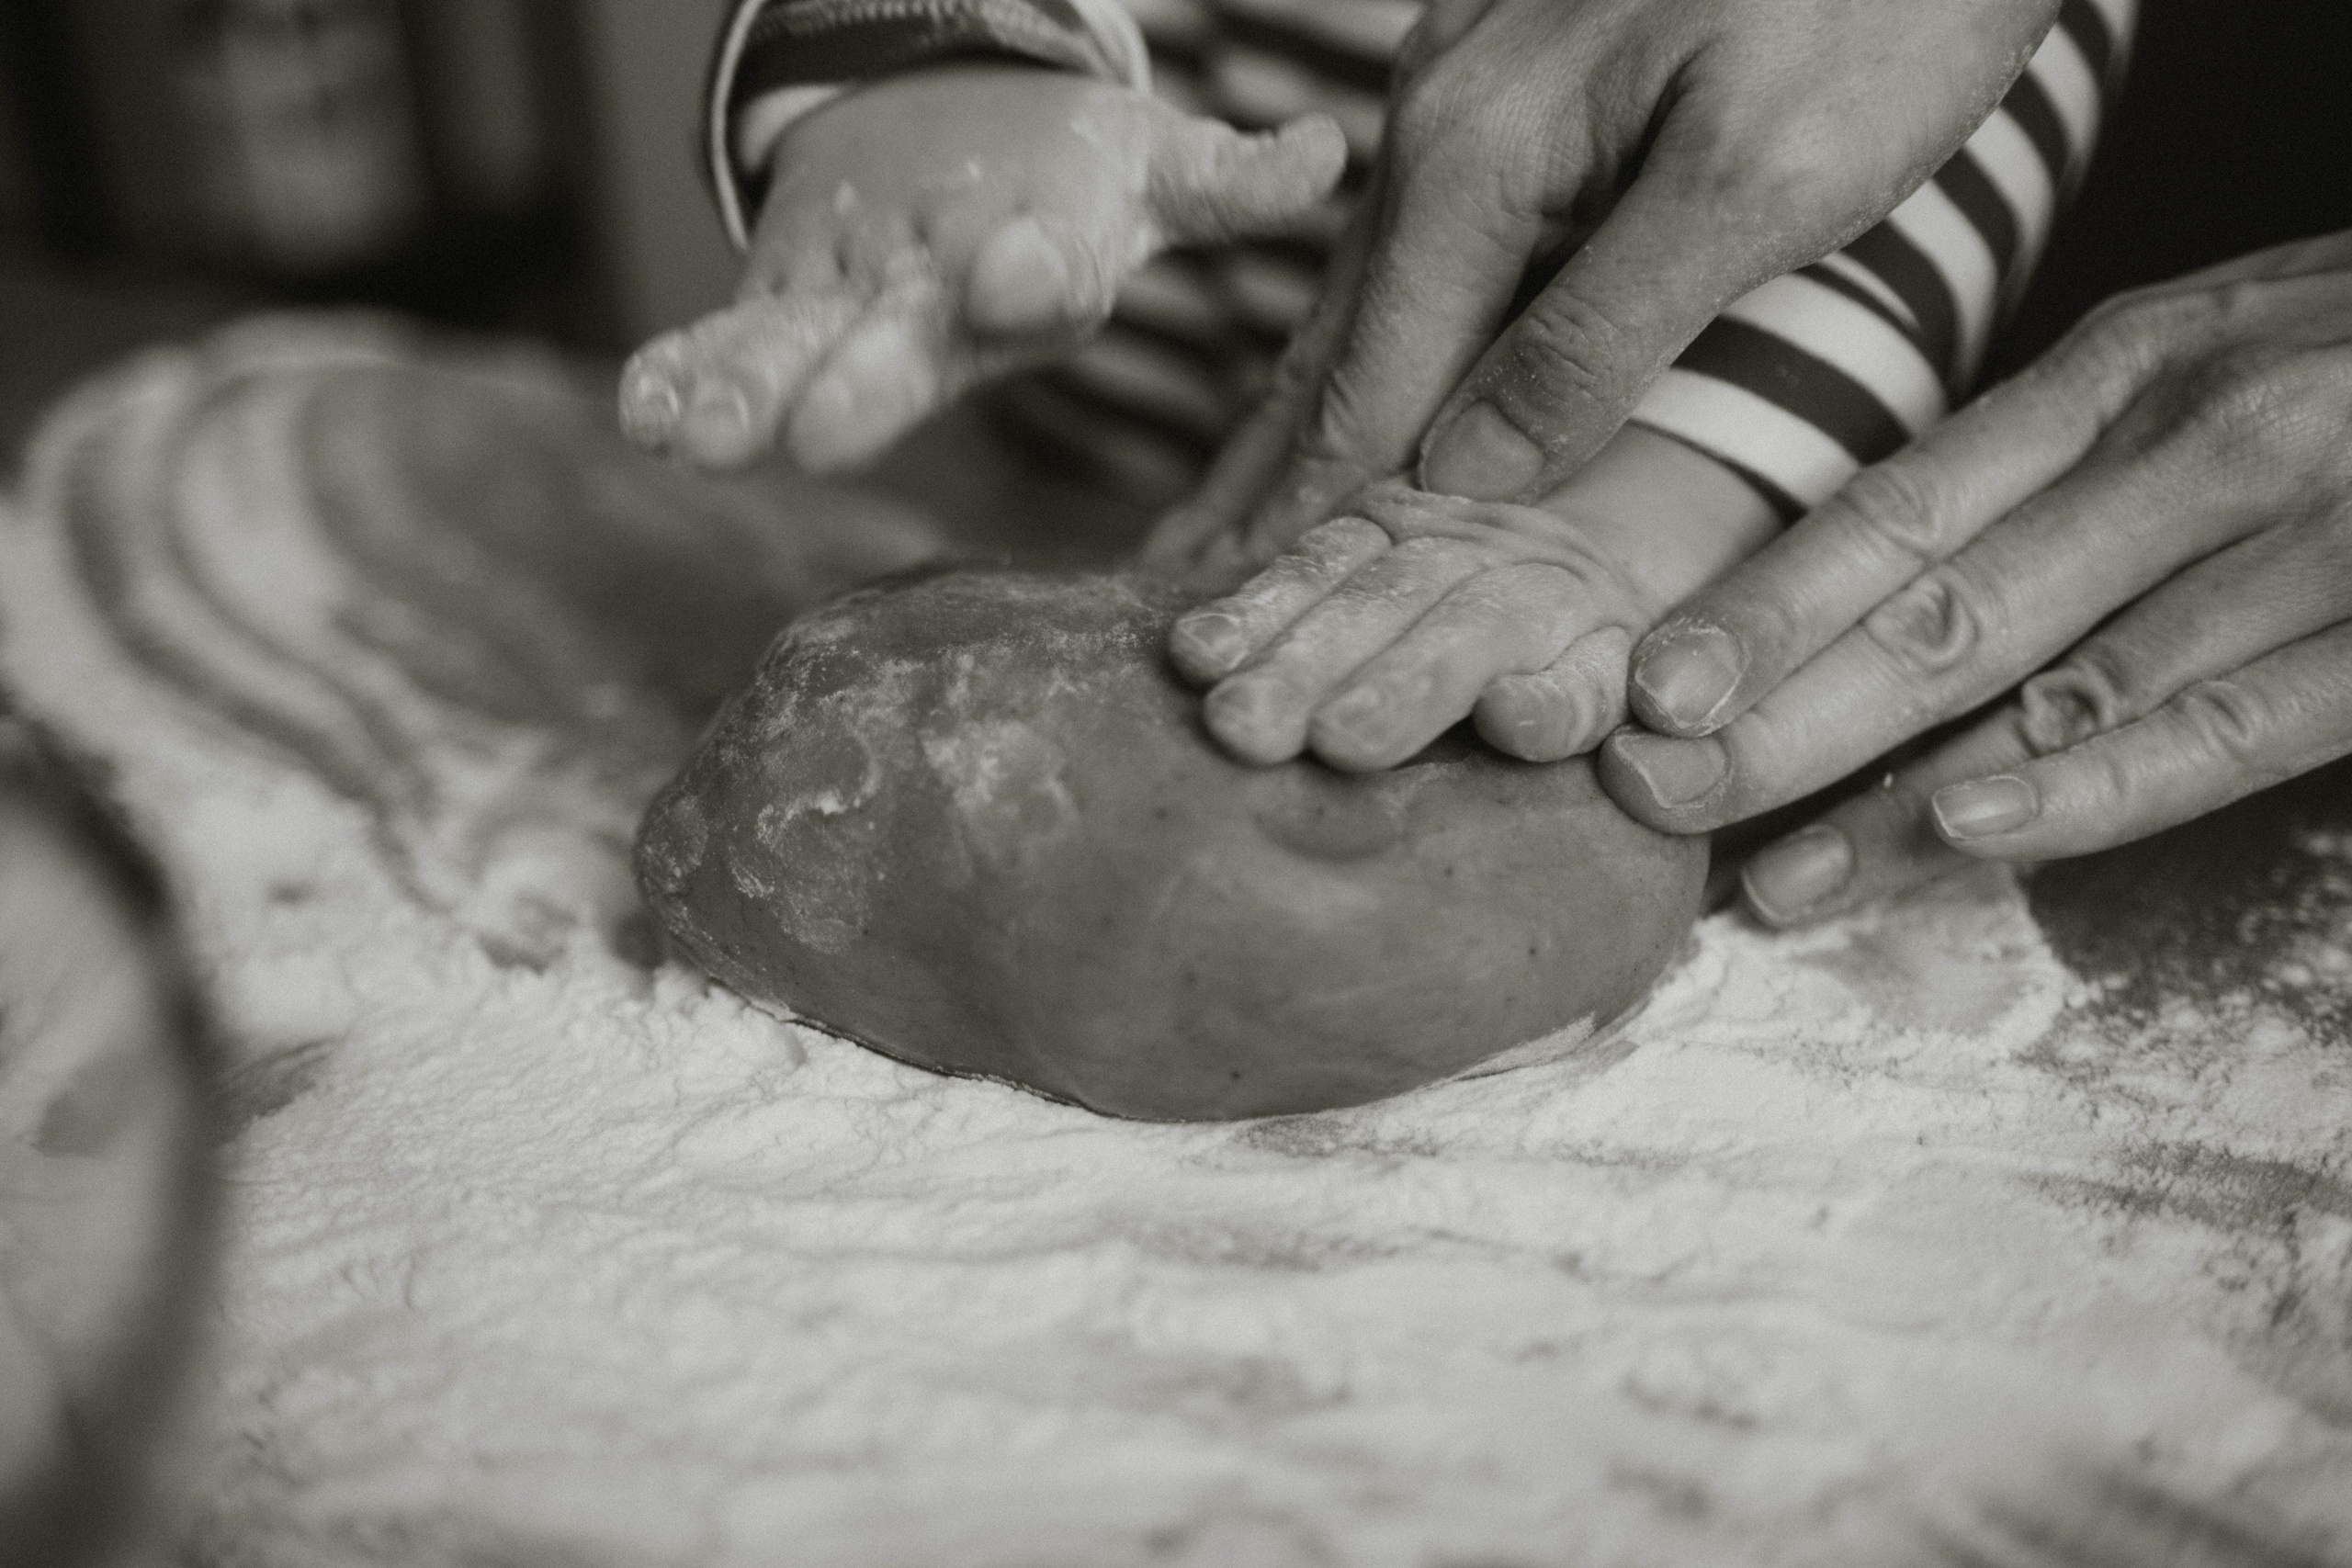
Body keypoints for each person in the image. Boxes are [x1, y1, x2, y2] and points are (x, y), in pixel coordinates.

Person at [619, 0, 2129, 775]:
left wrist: (1646, 510)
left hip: (1608, 495)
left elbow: (1898, 95)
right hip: (1077, 433)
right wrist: (941, 69)